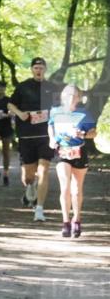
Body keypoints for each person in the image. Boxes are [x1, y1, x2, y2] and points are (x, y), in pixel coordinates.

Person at [9, 57, 63, 222]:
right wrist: (20, 114)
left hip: (46, 135)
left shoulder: (52, 88)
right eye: (36, 67)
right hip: (26, 134)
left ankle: (39, 209)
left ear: (45, 69)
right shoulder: (23, 87)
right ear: (32, 69)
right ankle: (30, 188)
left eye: (41, 67)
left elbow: (60, 107)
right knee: (28, 176)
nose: (39, 70)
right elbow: (11, 105)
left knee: (44, 170)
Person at [48, 84, 97, 238]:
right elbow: (50, 126)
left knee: (76, 190)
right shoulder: (55, 111)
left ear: (79, 98)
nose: (71, 98)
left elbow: (93, 133)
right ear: (63, 96)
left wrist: (82, 134)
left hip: (79, 152)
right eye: (68, 95)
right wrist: (51, 139)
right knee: (65, 187)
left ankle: (77, 219)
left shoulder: (84, 114)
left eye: (74, 96)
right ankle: (65, 222)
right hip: (62, 151)